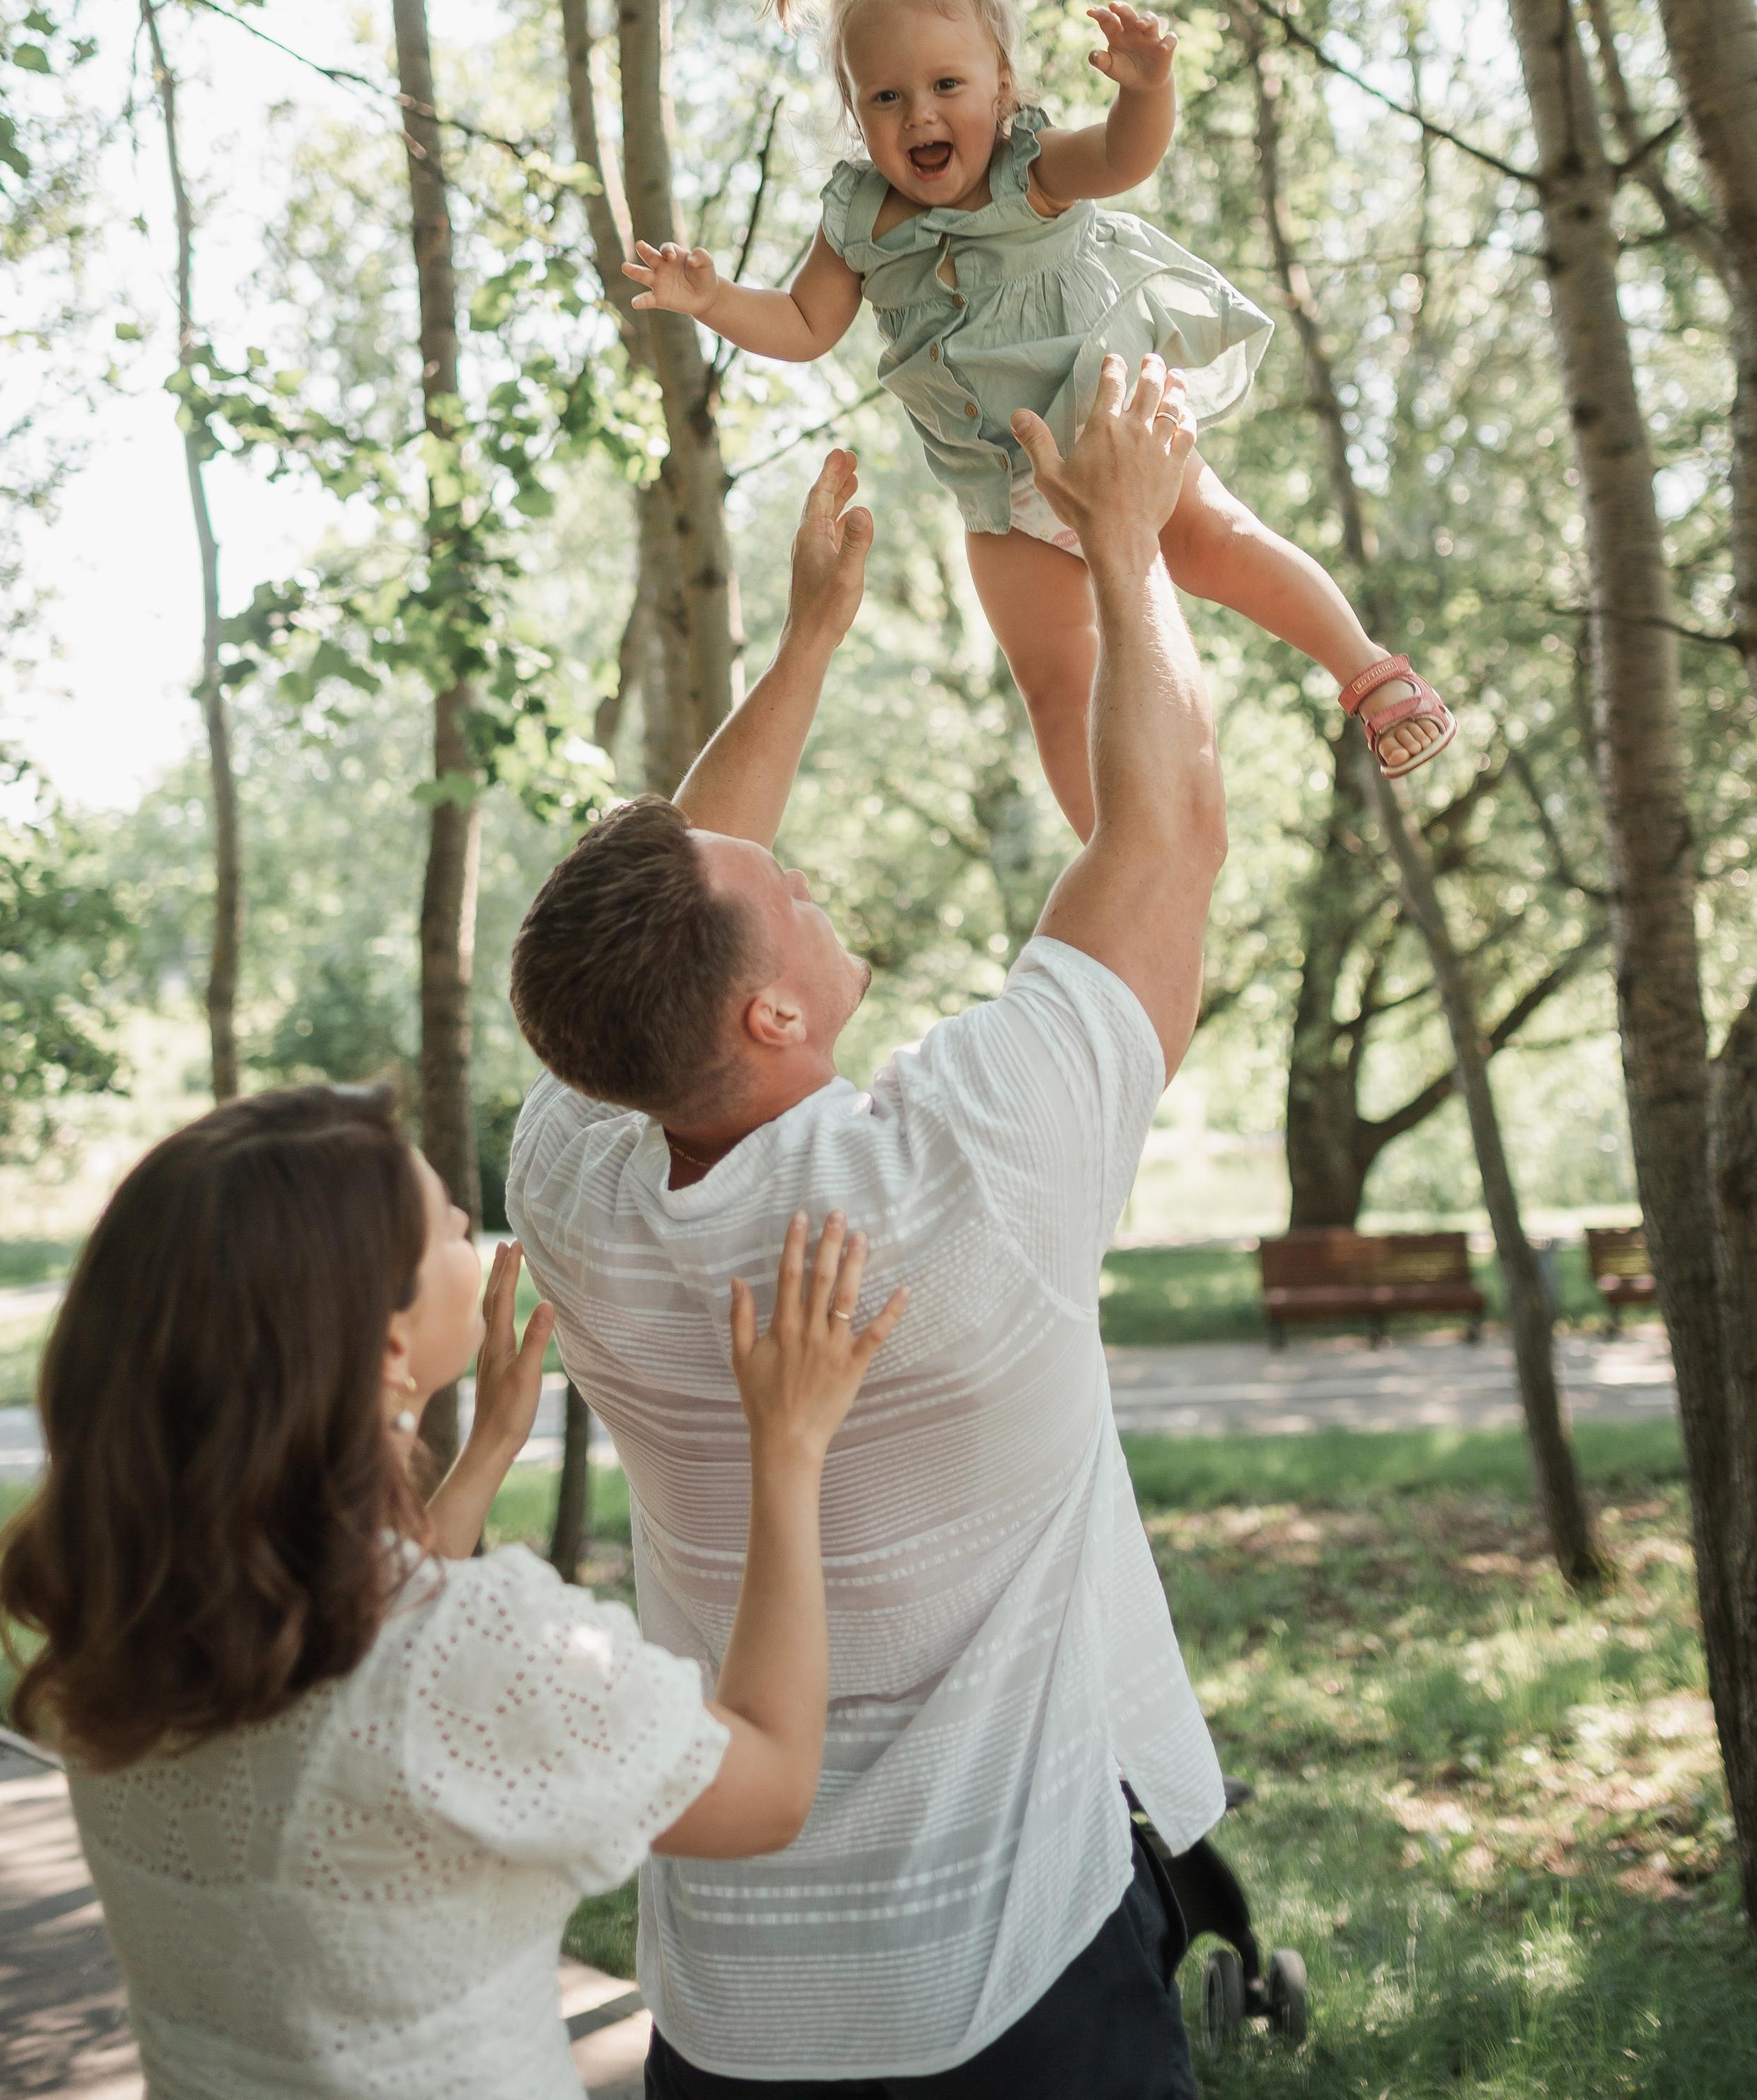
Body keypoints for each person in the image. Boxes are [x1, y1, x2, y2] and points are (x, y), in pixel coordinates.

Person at [504, 367, 1229, 2097]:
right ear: (761, 1019)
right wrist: (1124, 547)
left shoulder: (574, 1179)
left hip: (736, 2001)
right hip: (1016, 1972)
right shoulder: (963, 1168)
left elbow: (694, 876)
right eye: (791, 895)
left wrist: (805, 646)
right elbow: (1169, 833)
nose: (802, 870)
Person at [0, 1081, 903, 2100]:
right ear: (385, 1345)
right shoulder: (476, 1653)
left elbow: (361, 1666)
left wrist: (481, 1455)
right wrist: (786, 1448)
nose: (476, 1228)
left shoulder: (128, 1614)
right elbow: (771, 1786)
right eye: (450, 1226)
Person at [623, 0, 1453, 836]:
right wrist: (714, 300)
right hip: (1000, 498)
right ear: (855, 115)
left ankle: (1369, 672)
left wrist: (1148, 88)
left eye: (946, 87)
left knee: (1215, 544)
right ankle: (1118, 848)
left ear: (1002, 87)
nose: (918, 116)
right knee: (1056, 688)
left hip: (1113, 444)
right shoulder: (857, 218)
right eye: (885, 97)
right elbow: (805, 329)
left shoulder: (1032, 169)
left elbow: (1124, 157)